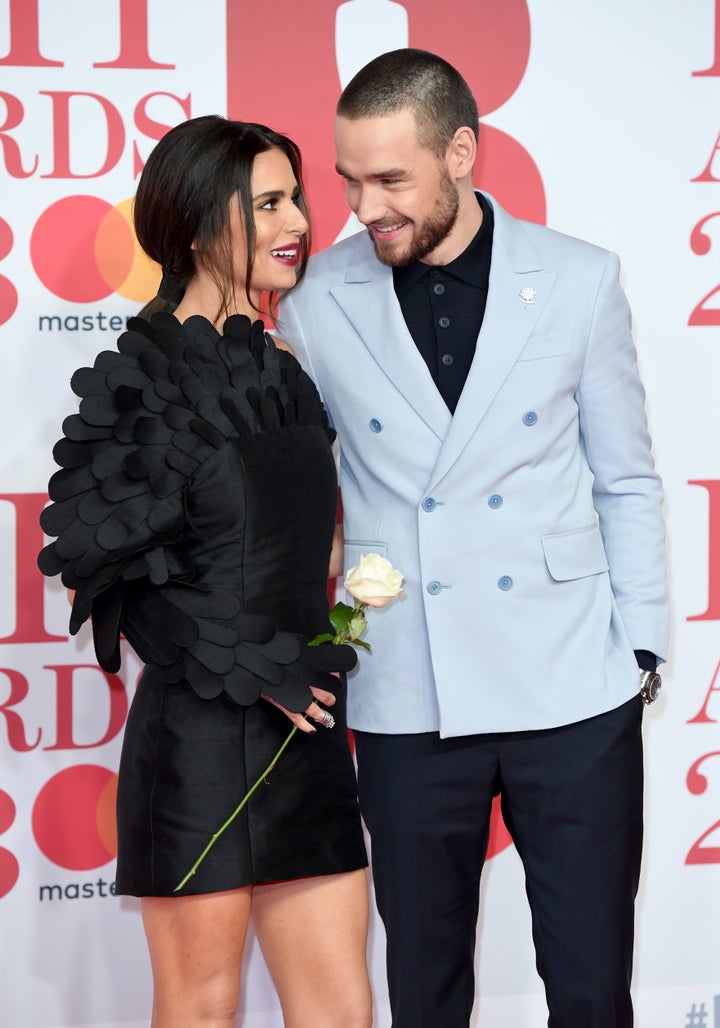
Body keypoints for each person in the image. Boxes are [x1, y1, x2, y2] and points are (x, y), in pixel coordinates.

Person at [277, 48, 669, 1028]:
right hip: (410, 686)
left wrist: (643, 644)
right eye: (350, 179)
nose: (365, 207)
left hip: (573, 682)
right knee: (425, 983)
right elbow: (296, 491)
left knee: (588, 983)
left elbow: (625, 476)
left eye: (392, 179)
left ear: (462, 153)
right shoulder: (318, 299)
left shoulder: (579, 279)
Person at [38, 115, 372, 1028]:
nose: (297, 219)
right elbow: (99, 573)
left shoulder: (291, 367)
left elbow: (307, 540)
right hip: (197, 743)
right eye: (266, 203)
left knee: (342, 1012)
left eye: (294, 197)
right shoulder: (142, 380)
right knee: (199, 1008)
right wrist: (249, 659)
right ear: (194, 225)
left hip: (303, 734)